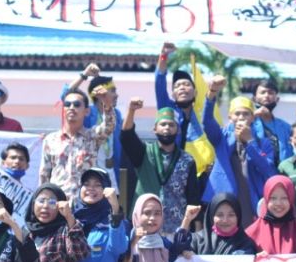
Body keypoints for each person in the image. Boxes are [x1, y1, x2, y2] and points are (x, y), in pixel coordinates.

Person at [121, 98, 202, 236]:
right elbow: (127, 136)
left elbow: (193, 196)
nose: (167, 128)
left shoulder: (187, 160)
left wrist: (198, 230)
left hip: (176, 226)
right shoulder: (143, 152)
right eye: (163, 124)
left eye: (171, 125)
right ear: (154, 129)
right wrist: (131, 110)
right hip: (145, 225)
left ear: (177, 130)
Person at [203, 75, 278, 222]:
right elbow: (207, 121)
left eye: (246, 114)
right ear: (230, 117)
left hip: (251, 200)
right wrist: (211, 93)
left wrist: (250, 141)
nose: (241, 117)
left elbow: (268, 170)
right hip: (225, 199)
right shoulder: (221, 137)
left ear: (253, 118)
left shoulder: (263, 142)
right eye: (237, 114)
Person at [39, 90, 114, 200]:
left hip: (85, 202)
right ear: (63, 110)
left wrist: (106, 103)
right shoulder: (51, 139)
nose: (71, 107)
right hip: (58, 203)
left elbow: (109, 126)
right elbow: (44, 174)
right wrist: (43, 199)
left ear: (87, 111)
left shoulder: (92, 136)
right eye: (67, 104)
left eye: (77, 104)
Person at [63, 66, 122, 185]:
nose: (117, 95)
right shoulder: (87, 112)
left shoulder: (116, 114)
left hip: (111, 171)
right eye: (113, 91)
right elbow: (66, 96)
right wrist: (84, 75)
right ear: (101, 93)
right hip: (89, 172)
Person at [154, 43, 207, 159]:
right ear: (173, 94)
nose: (182, 87)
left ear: (195, 92)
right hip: (172, 166)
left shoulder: (203, 114)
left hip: (199, 169)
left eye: (187, 84)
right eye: (177, 86)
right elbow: (159, 82)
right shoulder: (168, 109)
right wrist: (163, 55)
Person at [251, 79, 292, 165]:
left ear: (277, 99)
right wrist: (252, 116)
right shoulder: (249, 123)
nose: (266, 95)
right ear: (254, 99)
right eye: (262, 92)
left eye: (270, 93)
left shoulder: (286, 127)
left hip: (281, 174)